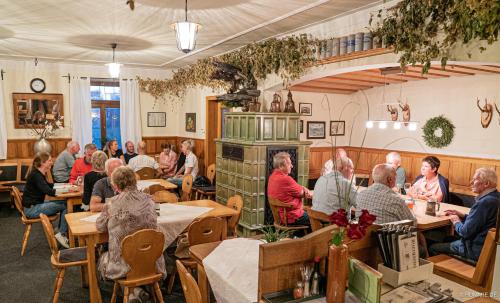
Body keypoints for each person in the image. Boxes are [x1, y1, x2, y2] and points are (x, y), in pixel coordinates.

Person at [96, 166, 165, 301]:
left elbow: (99, 227)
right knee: (136, 253)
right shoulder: (149, 199)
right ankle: (137, 291)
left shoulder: (112, 203)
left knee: (101, 257)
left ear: (115, 186)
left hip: (122, 264)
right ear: (134, 181)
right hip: (150, 259)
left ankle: (132, 292)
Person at [429, 168, 499, 261]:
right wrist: (463, 216)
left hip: (474, 250)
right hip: (489, 248)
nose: (471, 182)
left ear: (486, 184)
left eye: (475, 179)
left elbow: (464, 232)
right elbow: (483, 222)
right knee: (446, 238)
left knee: (432, 248)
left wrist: (456, 220)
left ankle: (449, 272)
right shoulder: (496, 197)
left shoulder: (484, 203)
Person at [22, 152, 76, 248]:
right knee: (67, 205)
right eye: (50, 160)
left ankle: (60, 230)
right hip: (32, 209)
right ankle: (62, 233)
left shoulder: (38, 173)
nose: (52, 162)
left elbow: (48, 185)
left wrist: (66, 186)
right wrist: (66, 189)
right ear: (43, 163)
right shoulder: (36, 175)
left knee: (65, 203)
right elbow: (48, 191)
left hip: (34, 206)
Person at [268, 152, 312, 226]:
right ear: (281, 166)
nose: (292, 166)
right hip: (291, 217)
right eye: (289, 164)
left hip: (280, 216)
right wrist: (304, 189)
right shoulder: (286, 179)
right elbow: (303, 193)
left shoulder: (272, 176)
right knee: (319, 218)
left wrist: (302, 188)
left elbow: (299, 189)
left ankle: (299, 236)